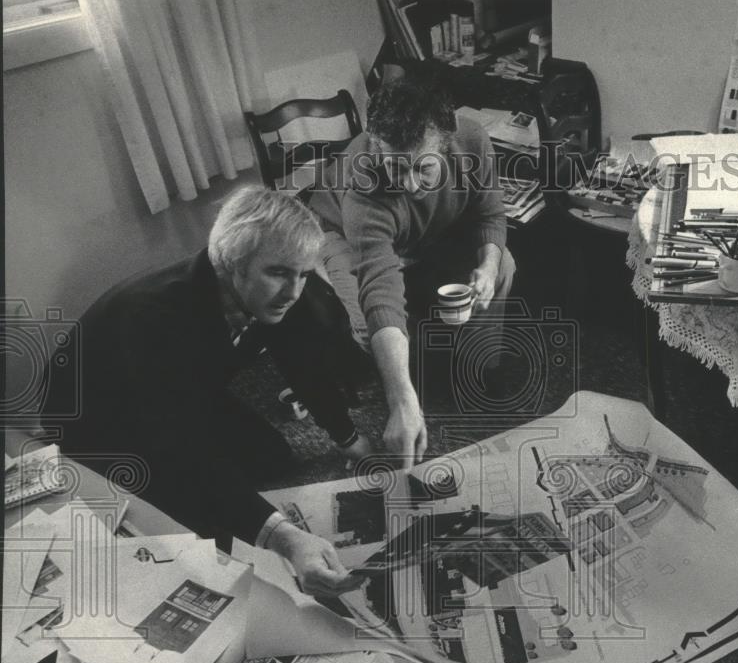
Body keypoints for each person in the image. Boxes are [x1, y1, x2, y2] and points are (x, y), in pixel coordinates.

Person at [44, 186, 369, 597]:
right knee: (197, 523)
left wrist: (349, 437)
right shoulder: (153, 319)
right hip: (95, 415)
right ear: (234, 262)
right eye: (280, 273)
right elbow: (181, 445)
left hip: (182, 384)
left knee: (270, 456)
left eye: (303, 274)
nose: (294, 291)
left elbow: (301, 362)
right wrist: (286, 539)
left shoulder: (278, 290)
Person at [310, 75, 516, 471]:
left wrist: (488, 267)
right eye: (395, 168)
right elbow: (379, 287)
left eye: (423, 169)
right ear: (375, 144)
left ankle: (478, 368)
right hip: (338, 233)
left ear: (448, 144)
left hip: (423, 234)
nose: (407, 184)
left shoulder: (472, 141)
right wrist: (401, 399)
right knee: (368, 323)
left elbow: (489, 214)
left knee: (504, 264)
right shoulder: (363, 179)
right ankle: (407, 385)